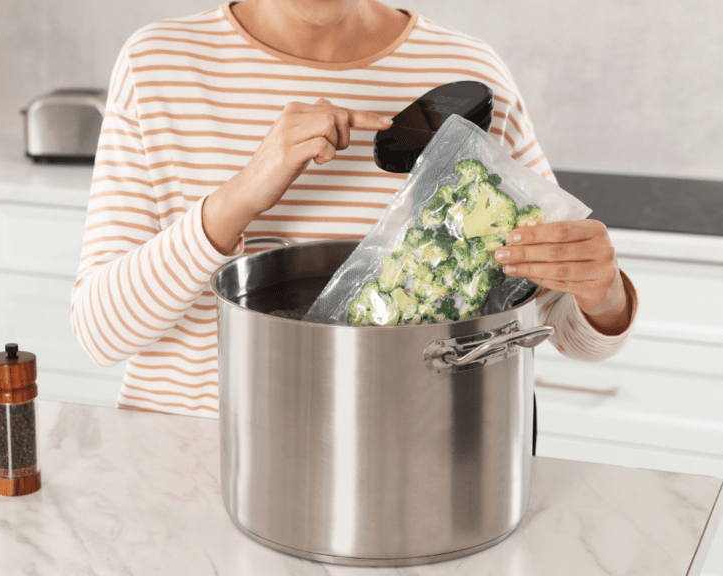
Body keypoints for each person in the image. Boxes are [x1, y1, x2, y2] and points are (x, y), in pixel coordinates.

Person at [71, 0, 638, 439]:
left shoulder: (468, 73)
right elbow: (100, 332)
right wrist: (239, 197)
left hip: (401, 475)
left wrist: (604, 294)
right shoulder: (158, 66)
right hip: (187, 472)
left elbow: (562, 322)